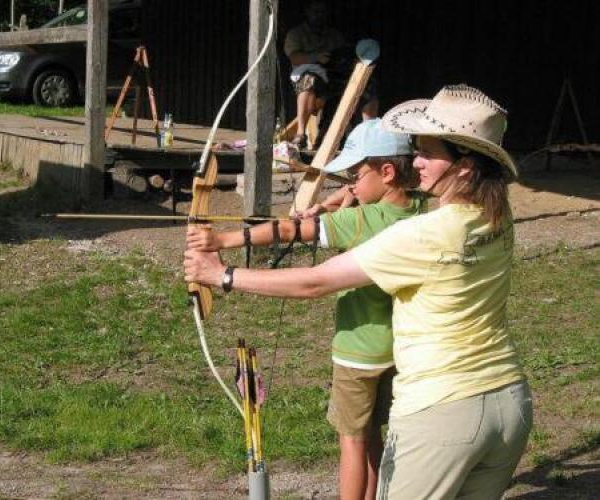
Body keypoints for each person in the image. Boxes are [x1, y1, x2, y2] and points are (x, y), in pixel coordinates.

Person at [185, 84, 532, 499]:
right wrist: (346, 193)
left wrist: (221, 275)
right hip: (509, 405)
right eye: (416, 150)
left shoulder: (423, 234)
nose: (416, 162)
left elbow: (315, 282)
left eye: (428, 153)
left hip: (442, 415)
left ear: (466, 167)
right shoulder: (497, 216)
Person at [189, 119, 424, 499]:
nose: (350, 184)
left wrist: (220, 240)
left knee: (351, 440)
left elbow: (287, 231)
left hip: (357, 353)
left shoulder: (361, 220)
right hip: (395, 350)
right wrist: (338, 201)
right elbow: (369, 197)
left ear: (387, 172)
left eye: (355, 174)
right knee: (372, 434)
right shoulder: (421, 210)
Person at [283, 0, 345, 149]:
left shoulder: (334, 35)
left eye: (322, 12)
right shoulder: (296, 34)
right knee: (308, 79)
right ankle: (300, 134)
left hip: (332, 76)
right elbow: (294, 57)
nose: (319, 15)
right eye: (316, 12)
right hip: (306, 76)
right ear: (307, 13)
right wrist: (316, 57)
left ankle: (328, 137)